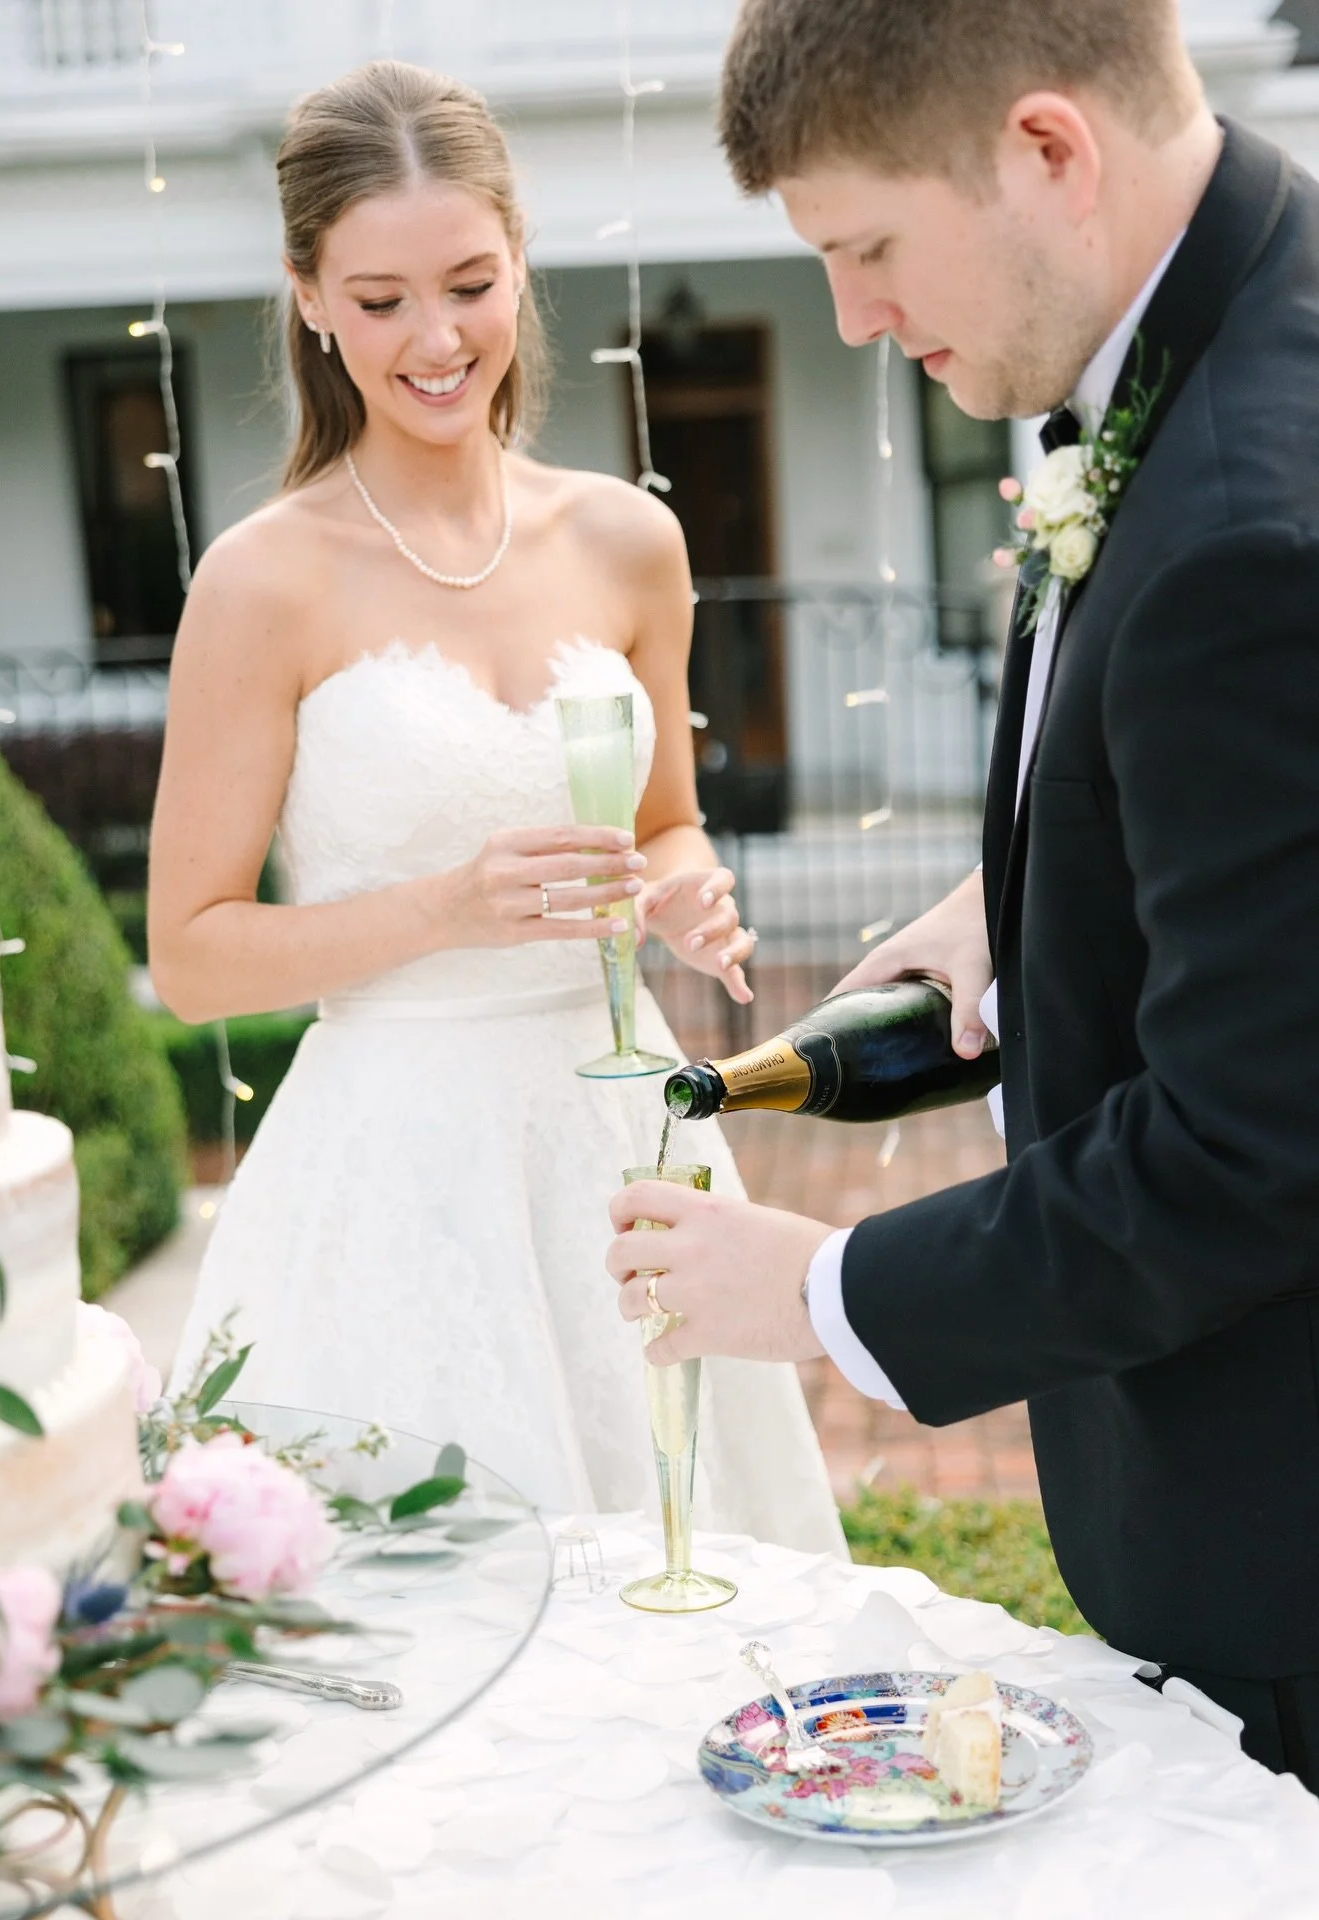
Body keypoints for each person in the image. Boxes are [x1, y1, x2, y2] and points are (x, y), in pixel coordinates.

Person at [609, 0, 1319, 1783]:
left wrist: (828, 1291)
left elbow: (1250, 1154)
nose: (852, 316)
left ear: (1047, 152)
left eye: (865, 247)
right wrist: (1026, 899)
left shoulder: (1245, 514)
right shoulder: (1215, 341)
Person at [150, 60, 840, 1550]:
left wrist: (685, 887)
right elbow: (194, 951)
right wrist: (441, 909)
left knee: (683, 1559)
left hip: (620, 1139)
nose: (437, 337)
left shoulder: (630, 542)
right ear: (310, 295)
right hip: (393, 1173)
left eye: (469, 281)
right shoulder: (260, 582)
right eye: (382, 297)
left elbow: (666, 818)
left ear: (519, 258)